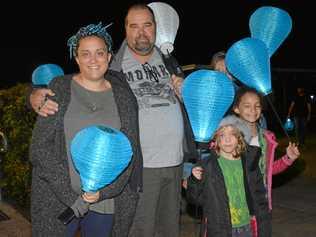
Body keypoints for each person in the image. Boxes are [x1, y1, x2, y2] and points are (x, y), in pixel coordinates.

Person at [28, 4, 197, 237]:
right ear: (125, 30)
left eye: (147, 25)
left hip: (172, 164)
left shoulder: (169, 62)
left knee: (169, 230)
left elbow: (190, 112)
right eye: (133, 26)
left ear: (156, 28)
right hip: (141, 168)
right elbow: (70, 91)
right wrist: (35, 95)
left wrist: (187, 93)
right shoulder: (116, 68)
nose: (141, 32)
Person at [30, 22, 142, 237]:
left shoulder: (124, 98)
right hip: (59, 199)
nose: (93, 60)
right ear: (77, 57)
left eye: (100, 53)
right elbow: (39, 148)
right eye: (86, 54)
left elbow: (130, 150)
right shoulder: (59, 89)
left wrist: (102, 192)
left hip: (106, 203)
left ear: (109, 57)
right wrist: (71, 194)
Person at [221, 86, 300, 211]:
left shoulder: (266, 138)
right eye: (247, 106)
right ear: (236, 109)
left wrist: (288, 158)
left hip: (259, 201)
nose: (253, 110)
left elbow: (268, 170)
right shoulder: (227, 137)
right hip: (233, 203)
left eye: (257, 106)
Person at [187, 124, 271, 237]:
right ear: (215, 140)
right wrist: (194, 181)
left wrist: (264, 226)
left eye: (232, 134)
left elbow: (260, 197)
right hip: (219, 228)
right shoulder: (207, 165)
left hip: (247, 226)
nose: (227, 139)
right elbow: (195, 199)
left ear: (239, 138)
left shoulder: (249, 163)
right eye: (222, 135)